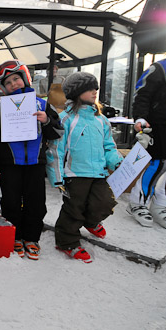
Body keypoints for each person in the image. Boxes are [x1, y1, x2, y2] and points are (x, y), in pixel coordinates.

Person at [0, 60, 62, 260]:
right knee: (10, 202)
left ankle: (31, 237)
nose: (13, 84)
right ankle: (15, 236)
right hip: (10, 165)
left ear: (25, 78)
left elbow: (58, 131)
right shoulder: (0, 108)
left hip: (35, 165)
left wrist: (46, 120)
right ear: (3, 87)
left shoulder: (42, 104)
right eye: (8, 82)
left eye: (16, 79)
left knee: (36, 203)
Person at [46, 72, 123, 263]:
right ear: (77, 92)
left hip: (98, 172)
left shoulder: (101, 120)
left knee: (105, 203)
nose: (95, 91)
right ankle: (67, 241)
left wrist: (117, 161)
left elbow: (109, 146)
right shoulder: (65, 119)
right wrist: (56, 175)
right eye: (89, 88)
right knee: (74, 208)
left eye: (95, 87)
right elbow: (56, 149)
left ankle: (91, 222)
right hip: (75, 173)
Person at [127, 49, 166, 230]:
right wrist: (139, 117)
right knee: (159, 164)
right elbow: (142, 94)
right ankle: (137, 202)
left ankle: (161, 205)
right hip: (160, 125)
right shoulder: (160, 68)